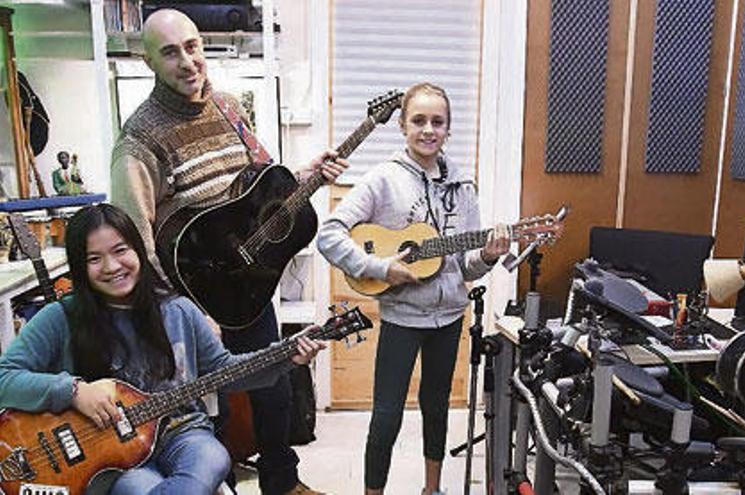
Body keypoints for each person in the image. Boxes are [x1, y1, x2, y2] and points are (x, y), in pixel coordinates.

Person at [110, 9, 347, 495]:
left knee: (274, 387)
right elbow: (134, 237)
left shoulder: (228, 107)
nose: (188, 62)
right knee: (202, 409)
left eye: (192, 46)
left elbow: (260, 188)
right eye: (171, 52)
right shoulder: (139, 139)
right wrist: (182, 312)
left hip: (246, 284)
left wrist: (305, 178)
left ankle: (282, 483)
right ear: (148, 59)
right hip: (189, 299)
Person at [0, 203, 325, 494]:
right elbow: (4, 377)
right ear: (79, 267)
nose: (112, 266)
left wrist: (286, 356)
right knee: (139, 488)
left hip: (182, 431)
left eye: (120, 250)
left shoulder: (179, 311)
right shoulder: (61, 318)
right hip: (113, 450)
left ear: (138, 250)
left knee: (213, 458)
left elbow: (225, 371)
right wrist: (73, 391)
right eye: (94, 259)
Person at [316, 82, 510, 494]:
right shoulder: (383, 179)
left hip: (450, 317)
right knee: (386, 415)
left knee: (436, 407)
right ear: (402, 125)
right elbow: (329, 234)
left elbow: (467, 267)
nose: (428, 130)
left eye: (437, 122)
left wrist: (490, 256)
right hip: (402, 318)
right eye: (418, 120)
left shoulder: (464, 186)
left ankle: (432, 488)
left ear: (448, 129)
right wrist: (379, 267)